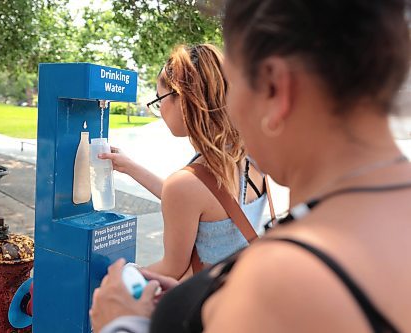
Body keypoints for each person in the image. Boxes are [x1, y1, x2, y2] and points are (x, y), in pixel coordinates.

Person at [90, 0, 411, 332]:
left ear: (275, 86)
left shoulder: (277, 282)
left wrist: (121, 324)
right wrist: (202, 294)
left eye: (234, 84)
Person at [100, 44, 272, 279]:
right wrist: (129, 167)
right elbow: (205, 204)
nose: (159, 110)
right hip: (239, 292)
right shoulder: (253, 157)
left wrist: (115, 278)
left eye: (159, 100)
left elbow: (172, 269)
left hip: (202, 306)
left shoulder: (187, 185)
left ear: (182, 99)